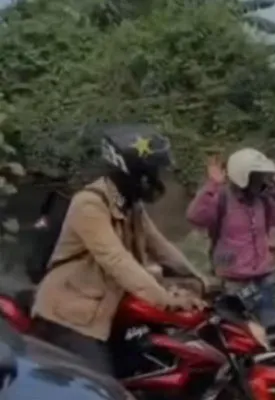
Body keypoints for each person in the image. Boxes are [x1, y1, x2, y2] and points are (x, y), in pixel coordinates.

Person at [31, 124, 208, 375]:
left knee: (155, 363)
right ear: (134, 172)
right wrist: (164, 300)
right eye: (153, 172)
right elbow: (117, 261)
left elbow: (161, 247)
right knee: (101, 388)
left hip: (108, 313)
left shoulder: (130, 205)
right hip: (71, 316)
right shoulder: (90, 204)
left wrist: (201, 282)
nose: (157, 179)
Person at [186, 148, 275, 314]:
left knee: (268, 330)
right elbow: (195, 217)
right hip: (235, 281)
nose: (261, 181)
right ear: (243, 176)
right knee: (239, 332)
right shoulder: (223, 200)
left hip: (264, 277)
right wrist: (212, 185)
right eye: (256, 176)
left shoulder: (263, 202)